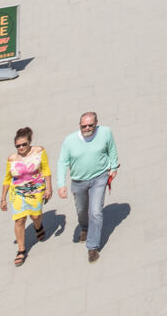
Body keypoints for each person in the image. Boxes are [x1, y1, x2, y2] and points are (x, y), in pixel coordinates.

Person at [57, 112, 118, 263]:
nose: (87, 128)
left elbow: (112, 149)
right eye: (84, 126)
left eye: (90, 125)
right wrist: (61, 184)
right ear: (79, 126)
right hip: (79, 181)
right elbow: (62, 162)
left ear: (96, 123)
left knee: (96, 212)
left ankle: (92, 247)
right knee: (82, 210)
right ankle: (84, 227)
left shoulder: (105, 132)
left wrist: (114, 166)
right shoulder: (70, 141)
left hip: (100, 177)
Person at [0, 126, 50, 266]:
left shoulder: (39, 151)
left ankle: (38, 226)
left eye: (24, 144)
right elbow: (7, 179)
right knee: (19, 220)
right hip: (18, 192)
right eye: (18, 146)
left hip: (36, 189)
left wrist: (49, 188)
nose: (21, 147)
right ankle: (21, 250)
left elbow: (46, 170)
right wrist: (3, 198)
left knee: (35, 216)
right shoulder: (12, 159)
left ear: (30, 142)